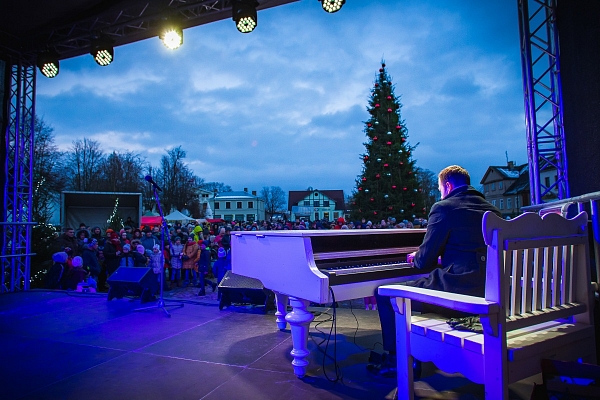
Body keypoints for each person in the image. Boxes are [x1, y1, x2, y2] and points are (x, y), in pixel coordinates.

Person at [369, 165, 502, 378]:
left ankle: (398, 361)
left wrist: (418, 255)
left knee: (385, 294)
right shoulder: (492, 211)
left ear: (448, 185)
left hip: (459, 291)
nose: (441, 192)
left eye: (440, 188)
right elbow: (471, 248)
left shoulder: (445, 207)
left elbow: (423, 262)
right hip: (489, 291)